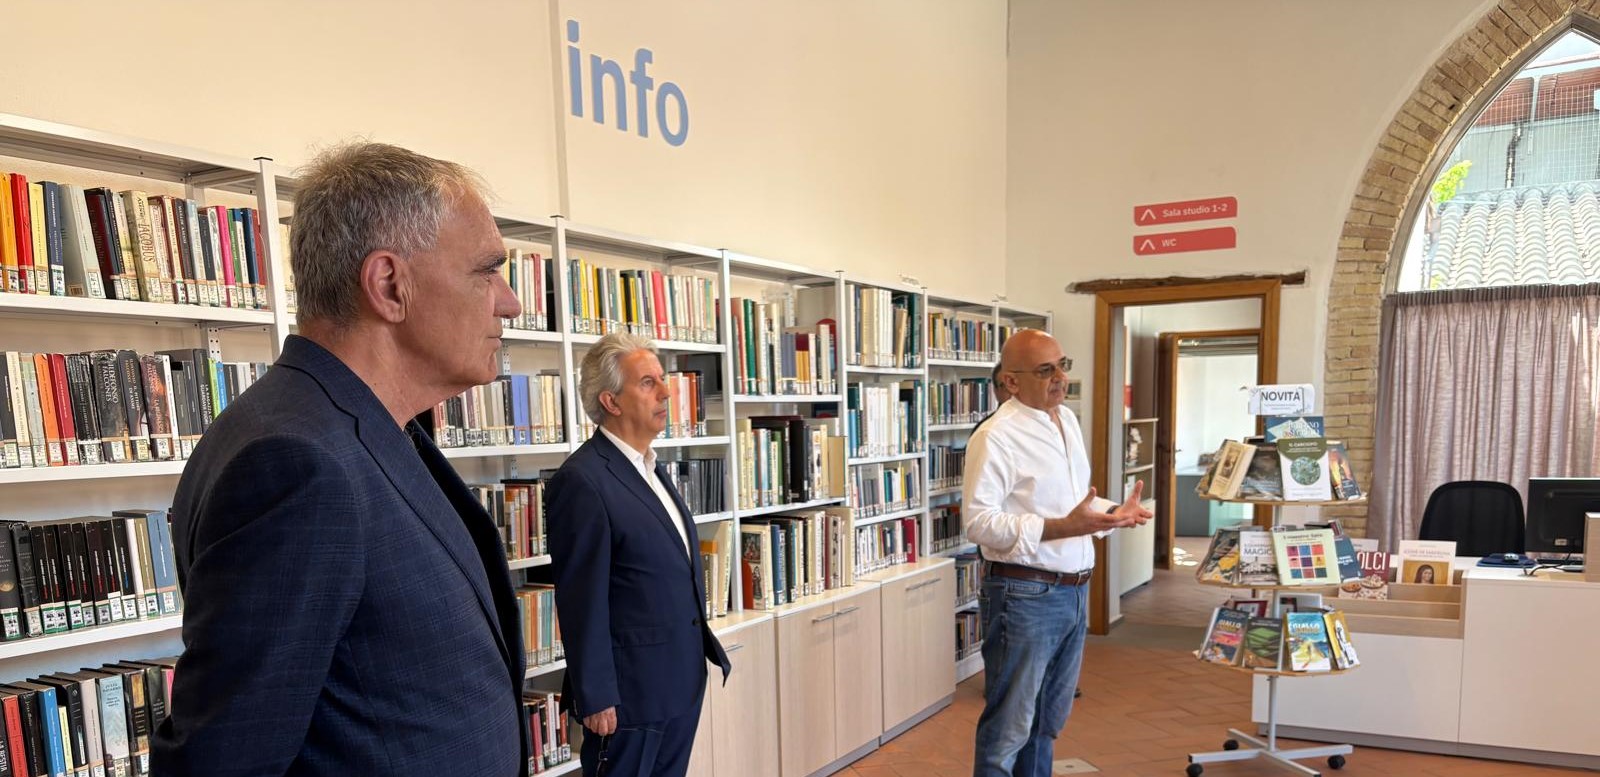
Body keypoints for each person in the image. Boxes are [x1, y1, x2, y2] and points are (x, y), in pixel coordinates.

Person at [153, 143, 529, 776]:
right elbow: (223, 760)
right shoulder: (296, 463)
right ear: (389, 285)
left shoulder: (370, 428)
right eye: (486, 271)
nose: (509, 302)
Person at [963, 329, 1152, 777]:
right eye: (1045, 370)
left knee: (1047, 722)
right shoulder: (995, 436)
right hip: (1024, 595)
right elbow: (979, 522)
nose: (1060, 378)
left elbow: (1068, 504)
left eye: (1062, 365)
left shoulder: (1065, 420)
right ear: (1011, 381)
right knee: (1009, 729)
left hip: (1073, 591)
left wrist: (1112, 513)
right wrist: (1064, 528)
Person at [548, 332, 731, 777]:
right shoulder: (583, 480)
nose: (667, 392)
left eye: (662, 379)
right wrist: (596, 695)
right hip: (630, 698)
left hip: (678, 682)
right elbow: (581, 599)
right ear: (611, 401)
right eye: (648, 382)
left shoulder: (651, 468)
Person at [973, 362, 1014, 433]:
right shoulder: (986, 430)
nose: (1013, 391)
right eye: (1005, 387)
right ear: (996, 392)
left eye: (1016, 384)